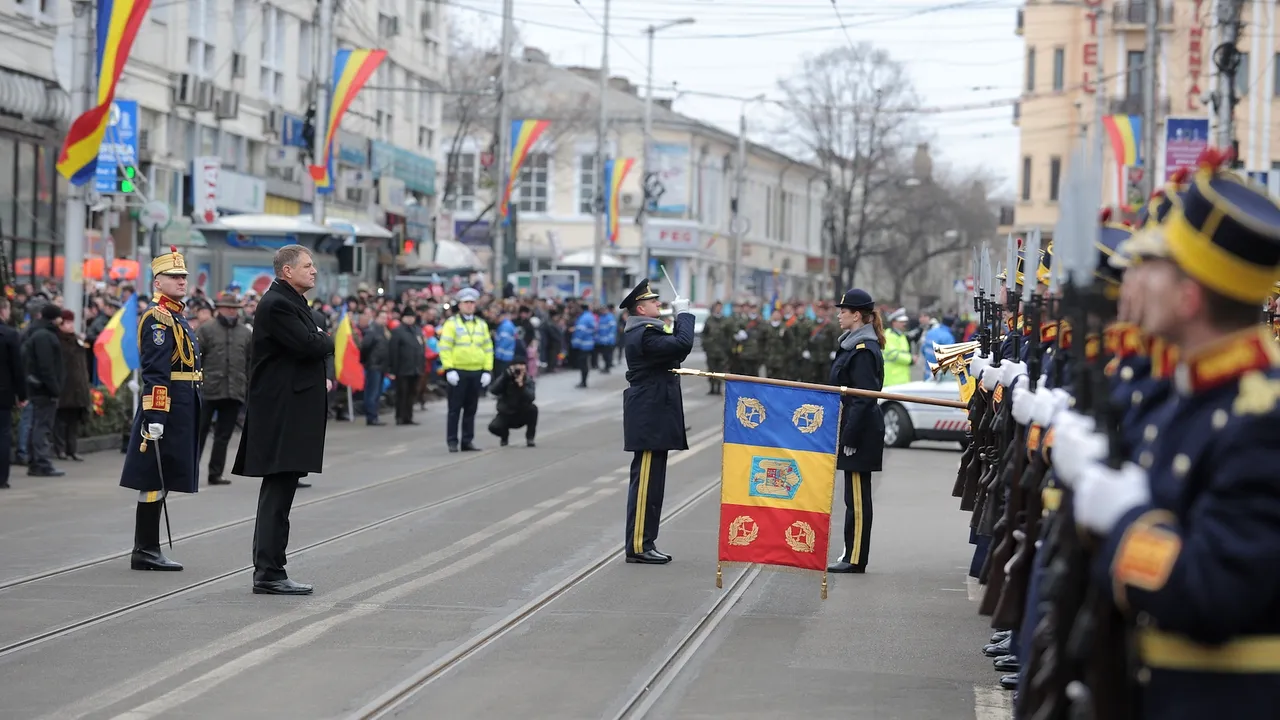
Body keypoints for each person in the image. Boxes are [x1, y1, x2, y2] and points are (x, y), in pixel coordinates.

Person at [1050, 164, 1280, 719]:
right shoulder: (1193, 393)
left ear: (1189, 297)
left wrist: (1127, 518)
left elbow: (1212, 591)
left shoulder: (1261, 418)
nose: (1135, 279)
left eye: (1154, 265)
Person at [232, 245, 334, 595]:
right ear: (286, 271)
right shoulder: (277, 304)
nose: (313, 271)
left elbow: (313, 341)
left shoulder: (292, 302)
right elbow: (310, 344)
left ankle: (272, 567)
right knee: (277, 495)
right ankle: (269, 572)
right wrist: (324, 338)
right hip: (281, 413)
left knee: (282, 493)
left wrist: (320, 339)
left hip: (289, 411)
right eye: (306, 266)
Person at [120, 248, 203, 571]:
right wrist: (155, 416)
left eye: (183, 276)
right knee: (154, 477)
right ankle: (145, 549)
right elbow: (156, 372)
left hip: (182, 402)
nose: (181, 281)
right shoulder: (158, 318)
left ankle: (148, 548)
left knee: (163, 477)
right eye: (174, 277)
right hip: (168, 406)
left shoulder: (176, 315)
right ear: (158, 282)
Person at [620, 279, 695, 565]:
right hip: (649, 415)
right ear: (641, 308)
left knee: (653, 484)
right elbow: (683, 342)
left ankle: (645, 541)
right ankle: (639, 545)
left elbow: (677, 350)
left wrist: (679, 321)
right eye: (653, 302)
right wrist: (684, 315)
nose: (658, 304)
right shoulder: (645, 333)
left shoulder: (649, 332)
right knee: (645, 485)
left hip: (654, 413)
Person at [826, 289, 885, 574]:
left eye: (843, 310)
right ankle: (851, 551)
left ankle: (856, 558)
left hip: (860, 432)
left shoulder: (863, 351)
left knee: (858, 500)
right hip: (854, 426)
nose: (839, 314)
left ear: (857, 315)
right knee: (852, 497)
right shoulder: (853, 346)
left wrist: (850, 437)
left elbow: (864, 397)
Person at [195, 292, 251, 486]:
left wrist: (247, 386)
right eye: (227, 308)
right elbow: (195, 358)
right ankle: (191, 472)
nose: (230, 311)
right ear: (219, 309)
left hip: (233, 390)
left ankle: (215, 473)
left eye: (234, 309)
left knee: (223, 436)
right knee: (199, 433)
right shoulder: (206, 330)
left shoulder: (245, 333)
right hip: (208, 390)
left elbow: (250, 362)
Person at [439, 287, 493, 452]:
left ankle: (467, 440)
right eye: (466, 303)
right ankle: (452, 441)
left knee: (471, 409)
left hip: (476, 371)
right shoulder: (451, 324)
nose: (469, 306)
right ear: (460, 305)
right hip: (458, 371)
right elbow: (445, 347)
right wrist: (449, 369)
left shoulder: (481, 325)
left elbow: (488, 348)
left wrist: (487, 370)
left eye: (472, 303)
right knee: (454, 409)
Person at [53, 309, 90, 461]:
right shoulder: (57, 341)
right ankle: (60, 449)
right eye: (67, 323)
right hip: (64, 386)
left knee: (73, 422)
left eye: (71, 322)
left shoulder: (77, 340)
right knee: (61, 421)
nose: (70, 326)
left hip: (77, 387)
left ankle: (72, 449)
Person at [488, 341, 537, 447]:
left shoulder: (527, 380)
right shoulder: (506, 378)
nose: (519, 369)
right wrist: (505, 378)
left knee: (533, 409)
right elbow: (493, 390)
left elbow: (531, 397)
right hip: (506, 412)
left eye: (522, 366)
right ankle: (504, 437)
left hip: (522, 412)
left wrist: (521, 386)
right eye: (517, 366)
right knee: (493, 427)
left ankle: (530, 438)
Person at [0, 298, 24, 488]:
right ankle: (1, 477)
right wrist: (22, 395)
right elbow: (17, 368)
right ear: (3, 311)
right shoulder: (9, 335)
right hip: (3, 394)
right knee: (3, 435)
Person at [387, 309, 425, 425]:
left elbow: (421, 348)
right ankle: (400, 416)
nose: (409, 319)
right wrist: (393, 369)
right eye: (407, 317)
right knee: (402, 393)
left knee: (412, 393)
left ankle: (408, 416)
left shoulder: (417, 330)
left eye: (411, 317)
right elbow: (393, 351)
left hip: (415, 367)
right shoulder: (397, 331)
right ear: (402, 318)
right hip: (402, 368)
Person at [882, 307, 913, 387]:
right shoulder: (889, 336)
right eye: (901, 322)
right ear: (894, 322)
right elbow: (893, 355)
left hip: (901, 379)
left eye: (905, 321)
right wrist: (911, 359)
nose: (904, 324)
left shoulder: (901, 335)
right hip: (891, 380)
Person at [570, 302, 596, 388]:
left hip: (583, 344)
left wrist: (575, 343)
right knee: (585, 363)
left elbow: (580, 332)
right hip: (589, 343)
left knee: (583, 364)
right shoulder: (590, 316)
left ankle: (583, 382)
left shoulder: (583, 318)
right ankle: (584, 381)